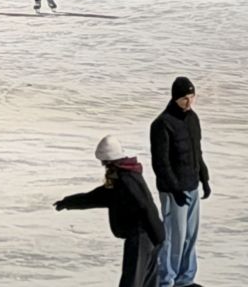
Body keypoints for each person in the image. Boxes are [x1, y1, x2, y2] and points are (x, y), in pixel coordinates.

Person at [53, 135, 165, 287]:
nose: (102, 166)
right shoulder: (124, 178)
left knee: (132, 282)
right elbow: (97, 197)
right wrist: (68, 202)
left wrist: (158, 236)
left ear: (109, 161)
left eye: (103, 162)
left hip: (142, 236)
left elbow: (145, 206)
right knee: (147, 282)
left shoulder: (126, 181)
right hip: (148, 235)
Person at [149, 75, 210, 287]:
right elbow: (160, 163)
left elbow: (197, 151)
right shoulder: (162, 124)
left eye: (192, 97)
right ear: (175, 97)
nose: (189, 102)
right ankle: (166, 280)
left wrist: (204, 176)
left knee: (190, 236)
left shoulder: (193, 119)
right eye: (185, 98)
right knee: (174, 237)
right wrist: (174, 189)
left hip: (192, 186)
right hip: (172, 190)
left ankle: (185, 279)